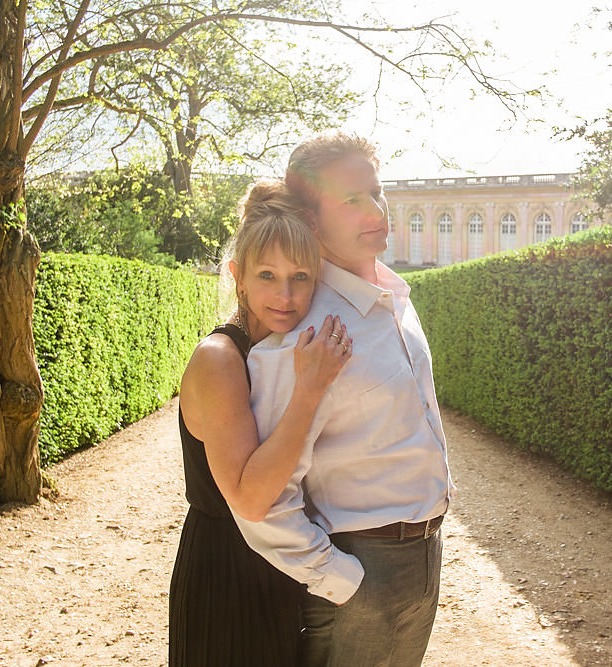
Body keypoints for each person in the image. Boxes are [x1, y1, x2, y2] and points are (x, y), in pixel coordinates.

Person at [234, 133, 453, 666]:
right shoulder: (307, 332)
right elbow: (260, 504)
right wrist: (343, 579)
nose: (375, 211)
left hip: (424, 553)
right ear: (311, 220)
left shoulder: (395, 297)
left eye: (376, 193)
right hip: (363, 565)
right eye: (352, 200)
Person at [169, 179, 355, 666]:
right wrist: (309, 391)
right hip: (226, 574)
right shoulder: (220, 358)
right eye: (267, 275)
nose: (286, 296)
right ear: (238, 276)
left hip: (278, 568)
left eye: (301, 277)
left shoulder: (275, 349)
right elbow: (251, 498)